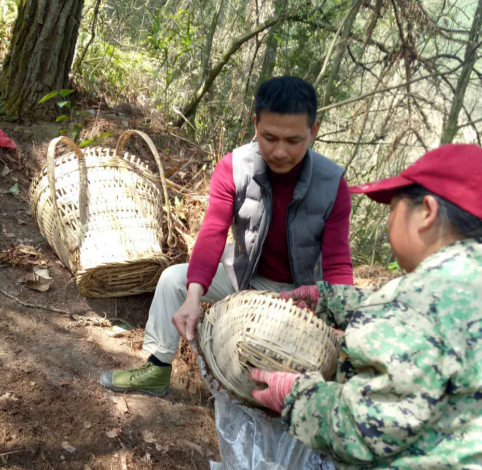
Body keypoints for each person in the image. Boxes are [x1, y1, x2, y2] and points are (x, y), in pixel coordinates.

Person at [99, 76, 354, 396]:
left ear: (313, 131)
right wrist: (193, 298)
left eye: (294, 141)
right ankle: (157, 369)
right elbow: (212, 233)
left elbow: (338, 262)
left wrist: (339, 318)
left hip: (299, 292)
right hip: (243, 275)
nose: (279, 152)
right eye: (269, 137)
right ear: (255, 123)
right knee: (173, 280)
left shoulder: (332, 184)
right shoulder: (234, 168)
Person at [250, 143, 482, 469]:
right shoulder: (459, 283)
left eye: (393, 209)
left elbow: (362, 429)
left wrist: (296, 396)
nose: (389, 222)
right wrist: (328, 299)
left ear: (426, 212)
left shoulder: (414, 304)